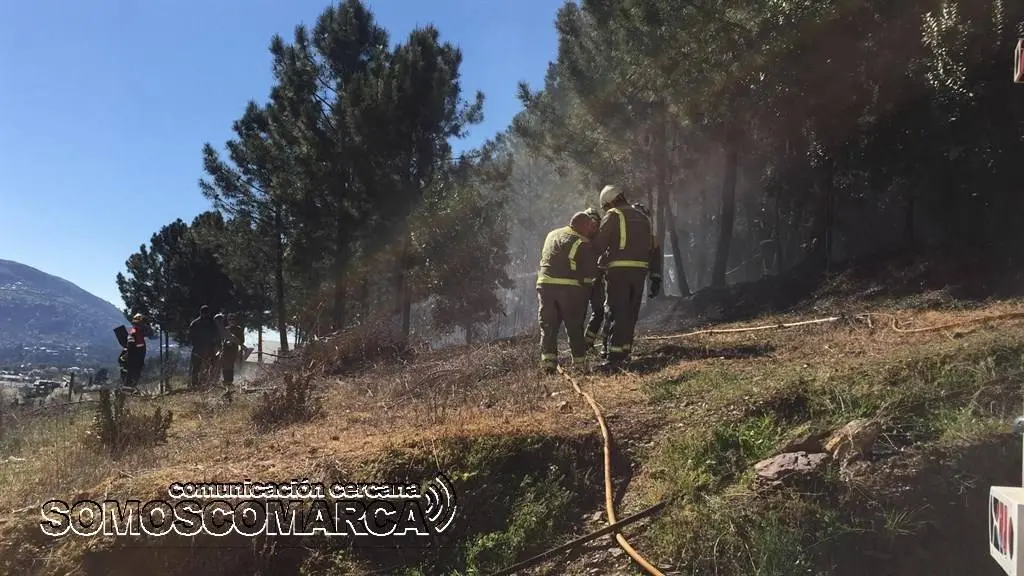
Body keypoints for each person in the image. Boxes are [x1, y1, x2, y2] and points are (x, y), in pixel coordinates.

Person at [592, 185, 663, 371]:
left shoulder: (614, 215)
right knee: (630, 312)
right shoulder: (643, 217)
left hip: (619, 272)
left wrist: (592, 264)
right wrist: (656, 275)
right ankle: (624, 353)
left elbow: (600, 244)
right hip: (640, 273)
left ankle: (613, 359)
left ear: (609, 202)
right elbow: (653, 247)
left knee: (617, 311)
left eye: (605, 206)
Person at [536, 211, 599, 374]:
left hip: (545, 285)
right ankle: (579, 365)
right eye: (590, 227)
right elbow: (590, 272)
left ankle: (548, 365)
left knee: (548, 326)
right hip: (568, 288)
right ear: (583, 225)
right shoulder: (580, 241)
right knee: (573, 327)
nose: (591, 231)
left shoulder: (553, 234)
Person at [581, 208, 607, 352]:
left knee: (600, 311)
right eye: (591, 222)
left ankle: (588, 342)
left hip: (596, 282)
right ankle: (577, 346)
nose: (593, 226)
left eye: (596, 223)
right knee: (579, 314)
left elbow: (605, 255)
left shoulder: (601, 238)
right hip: (581, 284)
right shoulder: (577, 237)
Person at [188, 305, 219, 389]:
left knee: (203, 366)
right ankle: (197, 384)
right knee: (198, 367)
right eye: (205, 313)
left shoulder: (196, 323)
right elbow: (216, 336)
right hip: (202, 348)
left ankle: (203, 384)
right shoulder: (210, 323)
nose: (205, 315)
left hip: (204, 348)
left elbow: (190, 337)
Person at [119, 313, 148, 390]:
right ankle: (127, 390)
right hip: (134, 359)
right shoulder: (134, 333)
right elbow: (131, 348)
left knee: (135, 375)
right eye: (142, 323)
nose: (144, 325)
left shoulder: (139, 333)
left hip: (138, 358)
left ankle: (130, 389)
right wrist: (129, 357)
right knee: (131, 375)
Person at [220, 314, 245, 386]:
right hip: (226, 349)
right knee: (225, 365)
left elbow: (242, 340)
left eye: (233, 320)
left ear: (235, 320)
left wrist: (233, 342)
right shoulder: (226, 329)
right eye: (230, 320)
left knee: (230, 365)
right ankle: (225, 380)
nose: (232, 321)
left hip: (233, 350)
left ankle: (230, 381)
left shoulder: (239, 329)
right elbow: (222, 340)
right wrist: (226, 342)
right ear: (228, 321)